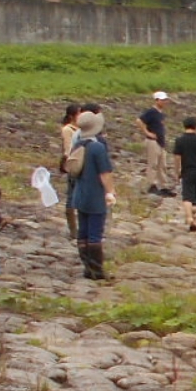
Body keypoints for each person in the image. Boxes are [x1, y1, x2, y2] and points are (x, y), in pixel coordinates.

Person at [68, 112, 117, 280]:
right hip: (95, 195)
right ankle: (97, 270)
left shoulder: (78, 145)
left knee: (84, 231)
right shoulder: (97, 147)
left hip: (80, 194)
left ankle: (87, 268)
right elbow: (105, 173)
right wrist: (110, 192)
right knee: (95, 233)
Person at [173, 117, 196, 232]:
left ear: (184, 126)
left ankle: (189, 218)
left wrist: (177, 170)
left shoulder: (179, 140)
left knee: (187, 196)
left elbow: (177, 157)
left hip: (187, 170)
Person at [54, 103, 83, 240]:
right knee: (72, 196)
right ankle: (73, 229)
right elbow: (68, 149)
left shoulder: (80, 129)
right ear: (72, 116)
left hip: (81, 163)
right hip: (74, 164)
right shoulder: (68, 130)